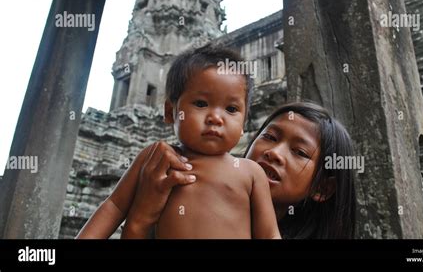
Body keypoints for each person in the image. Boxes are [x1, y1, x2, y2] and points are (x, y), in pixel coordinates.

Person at [78, 44, 280, 239]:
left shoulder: (251, 173)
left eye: (231, 109)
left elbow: (269, 234)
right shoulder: (156, 158)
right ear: (169, 112)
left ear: (244, 121)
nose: (216, 118)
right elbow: (114, 206)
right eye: (201, 103)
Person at [77, 100, 357, 239]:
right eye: (269, 137)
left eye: (299, 152)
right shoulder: (179, 183)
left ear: (323, 188)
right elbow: (113, 206)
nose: (274, 153)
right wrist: (140, 219)